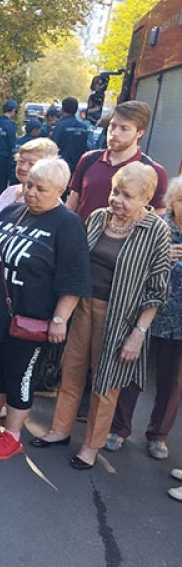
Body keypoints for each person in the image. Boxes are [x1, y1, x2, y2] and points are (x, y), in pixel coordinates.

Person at [33, 163, 172, 469]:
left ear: (146, 197)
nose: (116, 200)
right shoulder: (98, 217)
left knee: (105, 385)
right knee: (70, 372)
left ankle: (91, 446)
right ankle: (60, 429)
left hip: (120, 318)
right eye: (115, 191)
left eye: (126, 195)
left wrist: (138, 334)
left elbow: (157, 290)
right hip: (83, 308)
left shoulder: (156, 231)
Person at [0, 158, 91, 459]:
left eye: (40, 188)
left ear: (60, 189)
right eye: (29, 184)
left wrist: (60, 319)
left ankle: (13, 434)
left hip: (30, 319)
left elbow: (74, 279)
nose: (31, 192)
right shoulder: (11, 211)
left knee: (20, 375)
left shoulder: (67, 225)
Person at [107, 176, 182, 459]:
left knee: (172, 381)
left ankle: (158, 434)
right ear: (170, 202)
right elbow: (134, 266)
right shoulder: (158, 229)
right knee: (131, 372)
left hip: (180, 322)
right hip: (147, 316)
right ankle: (119, 428)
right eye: (181, 200)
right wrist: (165, 257)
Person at [67, 100, 168, 222]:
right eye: (112, 126)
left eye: (124, 129)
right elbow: (72, 204)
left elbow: (157, 218)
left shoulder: (154, 172)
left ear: (140, 132)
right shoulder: (89, 159)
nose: (114, 133)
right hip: (80, 237)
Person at [0, 137, 59, 221]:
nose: (23, 168)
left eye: (32, 164)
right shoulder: (9, 191)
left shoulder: (48, 202)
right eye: (21, 161)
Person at [50, 97, 90, 179]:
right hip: (78, 166)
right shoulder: (83, 127)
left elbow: (52, 146)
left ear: (62, 109)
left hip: (61, 167)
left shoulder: (60, 126)